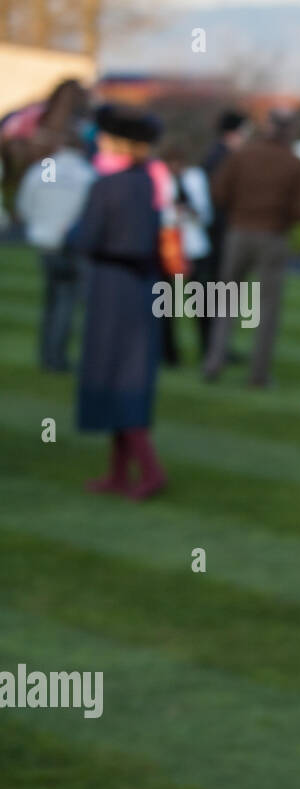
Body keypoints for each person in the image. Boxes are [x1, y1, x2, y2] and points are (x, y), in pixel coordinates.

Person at [65, 104, 168, 500]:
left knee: (115, 372)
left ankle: (149, 470)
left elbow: (85, 238)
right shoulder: (146, 182)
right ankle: (119, 471)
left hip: (112, 286)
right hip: (141, 284)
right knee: (127, 371)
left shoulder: (106, 186)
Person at [203, 108, 300, 387]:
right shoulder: (294, 163)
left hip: (239, 232)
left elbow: (218, 192)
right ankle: (258, 373)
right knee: (267, 307)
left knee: (226, 299)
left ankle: (214, 361)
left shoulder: (242, 156)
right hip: (273, 235)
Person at [15, 130, 94, 372]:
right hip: (70, 244)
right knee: (66, 300)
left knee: (53, 298)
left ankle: (47, 353)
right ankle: (56, 357)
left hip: (44, 241)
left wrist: (41, 225)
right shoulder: (86, 174)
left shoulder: (42, 170)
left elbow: (24, 205)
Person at [193, 110, 247, 359]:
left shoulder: (217, 155)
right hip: (217, 233)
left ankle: (215, 346)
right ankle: (212, 347)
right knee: (214, 290)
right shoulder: (222, 158)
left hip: (217, 232)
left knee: (215, 290)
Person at [158, 140, 214, 366]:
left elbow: (205, 214)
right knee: (165, 305)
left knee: (200, 304)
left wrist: (189, 208)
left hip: (193, 246)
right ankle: (168, 353)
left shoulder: (195, 178)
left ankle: (207, 350)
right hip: (168, 247)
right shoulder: (160, 179)